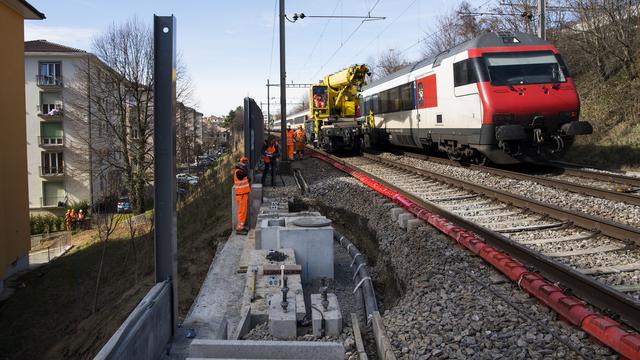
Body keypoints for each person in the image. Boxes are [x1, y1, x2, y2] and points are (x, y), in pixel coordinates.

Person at [234, 156, 251, 234]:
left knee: (243, 211)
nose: (245, 164)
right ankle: (239, 228)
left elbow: (244, 177)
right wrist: (245, 168)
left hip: (243, 194)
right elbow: (242, 175)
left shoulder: (240, 171)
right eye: (244, 162)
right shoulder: (238, 171)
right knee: (242, 212)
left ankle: (241, 226)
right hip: (241, 195)